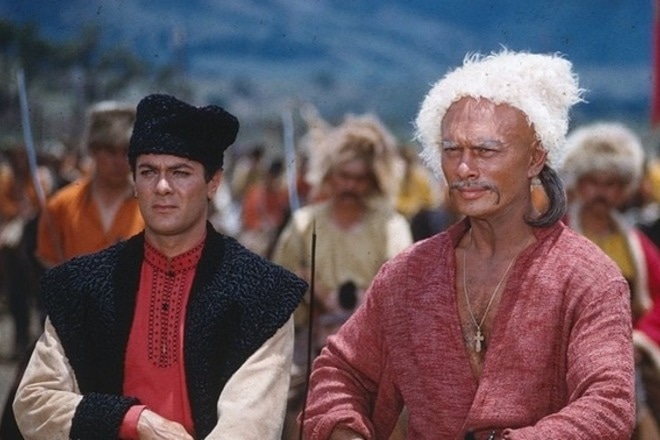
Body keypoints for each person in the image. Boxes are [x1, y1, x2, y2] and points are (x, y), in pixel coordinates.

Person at [300, 49, 635, 439]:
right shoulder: (409, 275)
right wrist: (345, 430)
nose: (463, 169)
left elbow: (608, 404)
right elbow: (342, 371)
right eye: (451, 150)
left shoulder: (587, 277)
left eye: (485, 151)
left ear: (535, 158)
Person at [12, 94, 308, 440]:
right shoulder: (82, 285)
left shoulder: (262, 294)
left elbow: (248, 427)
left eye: (180, 172)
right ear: (135, 182)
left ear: (213, 183)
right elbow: (34, 401)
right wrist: (131, 420)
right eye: (148, 171)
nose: (162, 187)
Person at [271, 113, 412, 439]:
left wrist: (365, 305)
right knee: (280, 402)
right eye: (344, 176)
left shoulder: (391, 225)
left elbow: (402, 286)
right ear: (330, 175)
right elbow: (278, 288)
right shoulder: (304, 224)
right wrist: (312, 291)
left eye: (360, 178)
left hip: (376, 342)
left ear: (373, 180)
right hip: (313, 336)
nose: (350, 186)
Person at [560, 122, 660, 436]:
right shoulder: (553, 236)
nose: (601, 192)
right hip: (564, 361)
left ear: (624, 189)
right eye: (593, 181)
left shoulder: (637, 245)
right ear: (578, 183)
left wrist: (640, 340)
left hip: (627, 362)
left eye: (611, 183)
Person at [35, 101, 144, 268]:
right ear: (93, 150)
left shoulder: (151, 205)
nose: (119, 161)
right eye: (110, 151)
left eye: (126, 151)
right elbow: (49, 261)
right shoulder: (61, 205)